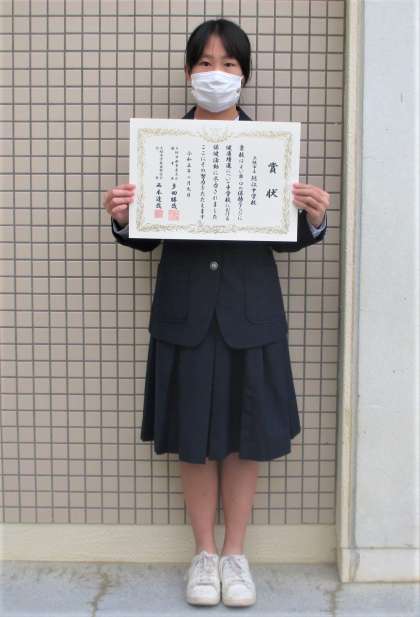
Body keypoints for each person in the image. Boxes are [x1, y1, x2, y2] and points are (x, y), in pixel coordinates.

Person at [102, 18, 329, 609]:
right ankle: (203, 555)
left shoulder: (270, 148)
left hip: (250, 312)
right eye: (205, 63)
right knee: (194, 439)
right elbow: (147, 236)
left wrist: (313, 219)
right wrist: (123, 218)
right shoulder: (162, 146)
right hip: (186, 312)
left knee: (246, 439)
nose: (216, 74)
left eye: (228, 64)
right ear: (188, 73)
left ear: (244, 76)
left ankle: (235, 555)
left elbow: (283, 238)